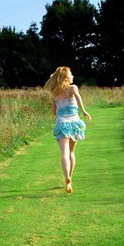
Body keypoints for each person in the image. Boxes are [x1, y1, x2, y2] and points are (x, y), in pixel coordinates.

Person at [44, 66, 91, 194]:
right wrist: (84, 111)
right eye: (71, 74)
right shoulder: (73, 88)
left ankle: (66, 178)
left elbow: (54, 112)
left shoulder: (54, 92)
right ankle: (70, 176)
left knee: (64, 153)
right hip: (75, 122)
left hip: (62, 123)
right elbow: (79, 99)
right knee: (71, 152)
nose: (73, 76)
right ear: (66, 77)